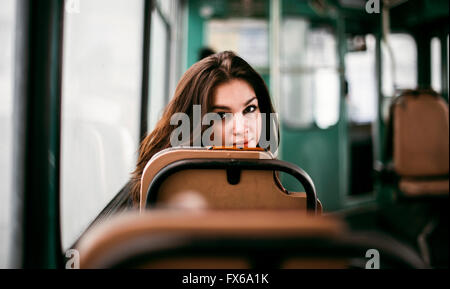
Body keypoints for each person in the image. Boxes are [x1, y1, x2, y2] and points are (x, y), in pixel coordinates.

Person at [129, 51, 279, 207]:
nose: (241, 129)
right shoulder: (174, 187)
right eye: (221, 115)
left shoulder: (267, 175)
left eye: (250, 109)